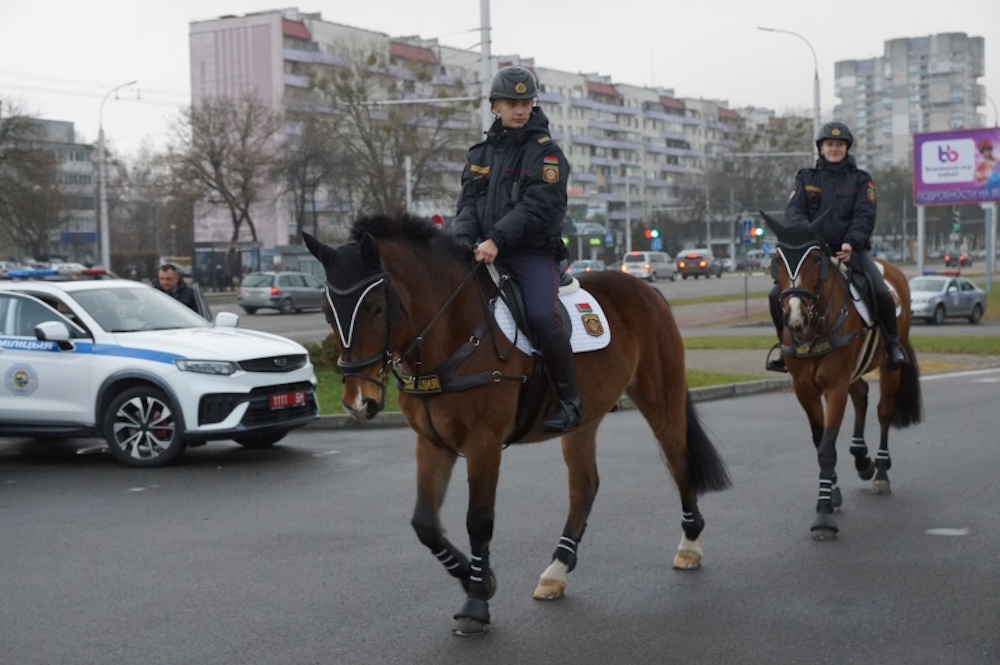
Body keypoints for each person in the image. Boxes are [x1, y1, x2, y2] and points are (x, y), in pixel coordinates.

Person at [451, 65, 580, 432]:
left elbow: (540, 206)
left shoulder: (547, 154)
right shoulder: (479, 155)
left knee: (541, 315)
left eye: (526, 103)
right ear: (496, 106)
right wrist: (463, 240)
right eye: (511, 103)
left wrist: (496, 239)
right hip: (483, 251)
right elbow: (468, 204)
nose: (520, 110)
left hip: (531, 253)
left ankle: (570, 401)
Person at [767, 121, 909, 372]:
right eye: (830, 144)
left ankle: (892, 344)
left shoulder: (861, 180)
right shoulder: (805, 178)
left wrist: (851, 242)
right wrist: (808, 235)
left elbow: (865, 215)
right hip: (813, 253)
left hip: (849, 251)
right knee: (775, 294)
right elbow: (795, 210)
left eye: (840, 145)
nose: (834, 148)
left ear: (846, 148)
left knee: (880, 290)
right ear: (821, 148)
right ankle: (784, 347)